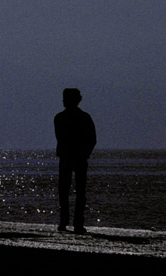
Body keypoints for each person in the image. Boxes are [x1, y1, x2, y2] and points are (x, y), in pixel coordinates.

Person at [54, 88, 96, 234]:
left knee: (71, 191)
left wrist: (82, 153)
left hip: (71, 158)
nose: (64, 101)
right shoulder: (81, 117)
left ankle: (71, 222)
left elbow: (91, 139)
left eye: (66, 98)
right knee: (71, 191)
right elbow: (91, 139)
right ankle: (71, 222)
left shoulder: (62, 118)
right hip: (73, 158)